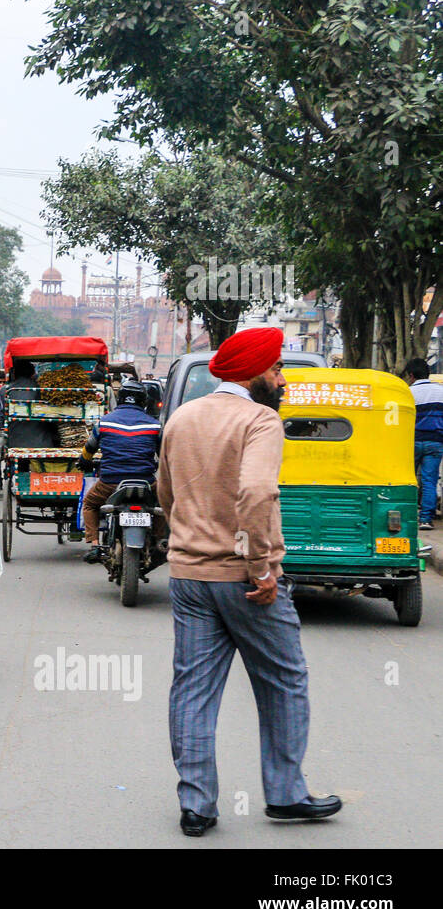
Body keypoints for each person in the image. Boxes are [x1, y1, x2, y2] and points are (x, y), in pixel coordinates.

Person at [158, 326, 341, 837]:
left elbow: (165, 493)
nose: (281, 379)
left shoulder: (181, 418)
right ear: (254, 373)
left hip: (188, 574)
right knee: (284, 680)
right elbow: (257, 493)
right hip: (245, 577)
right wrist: (259, 565)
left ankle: (197, 806)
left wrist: (189, 537)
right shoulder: (260, 420)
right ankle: (285, 794)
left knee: (192, 688)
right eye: (277, 369)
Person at [79, 379, 164, 563]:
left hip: (110, 483)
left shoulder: (104, 423)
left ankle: (94, 545)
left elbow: (89, 449)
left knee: (90, 504)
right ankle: (159, 542)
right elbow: (164, 456)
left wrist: (84, 462)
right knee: (161, 506)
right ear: (144, 401)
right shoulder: (155, 426)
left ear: (120, 399)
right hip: (146, 483)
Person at [404, 358, 443, 530]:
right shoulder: (441, 392)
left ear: (411, 375)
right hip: (435, 442)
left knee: (408, 479)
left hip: (412, 442)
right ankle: (426, 519)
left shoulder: (407, 393)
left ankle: (408, 515)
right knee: (429, 480)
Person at [0, 360, 56, 449]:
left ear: (14, 373)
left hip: (14, 443)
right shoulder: (42, 389)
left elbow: (2, 415)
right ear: (33, 373)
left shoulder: (5, 390)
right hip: (43, 442)